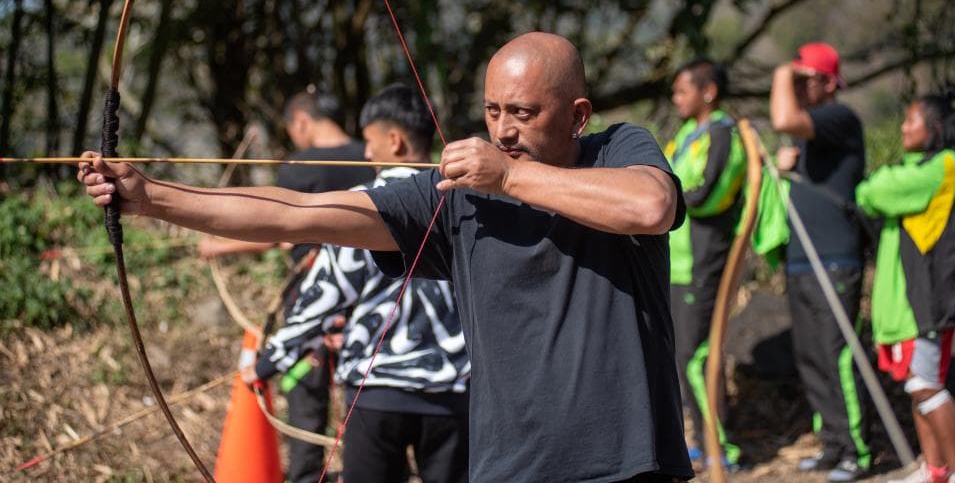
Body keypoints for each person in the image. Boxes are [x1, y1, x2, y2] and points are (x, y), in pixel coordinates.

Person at [79, 31, 693, 483]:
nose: (503, 130)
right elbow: (299, 212)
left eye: (524, 114)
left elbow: (649, 208)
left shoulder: (618, 149)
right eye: (493, 111)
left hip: (630, 466)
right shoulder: (456, 199)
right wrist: (154, 197)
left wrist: (506, 178)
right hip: (511, 470)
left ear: (578, 116)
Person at [249, 83, 470, 483]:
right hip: (454, 392)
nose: (366, 154)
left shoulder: (367, 201)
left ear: (395, 141)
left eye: (370, 143)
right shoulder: (467, 200)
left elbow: (325, 293)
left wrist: (267, 362)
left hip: (377, 393)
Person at [199, 88, 374, 483]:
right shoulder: (371, 155)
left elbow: (277, 229)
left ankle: (307, 473)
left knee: (304, 381)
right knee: (360, 388)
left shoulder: (301, 164)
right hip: (369, 296)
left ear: (301, 121)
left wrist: (218, 246)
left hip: (313, 295)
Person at [769, 42, 873, 482]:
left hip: (833, 258)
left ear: (828, 83)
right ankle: (831, 444)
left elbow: (782, 117)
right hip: (801, 260)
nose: (797, 87)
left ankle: (856, 451)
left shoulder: (839, 117)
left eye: (804, 79)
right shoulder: (808, 135)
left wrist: (779, 73)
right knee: (810, 357)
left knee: (836, 355)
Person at [855, 84, 955, 483]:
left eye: (910, 119)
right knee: (919, 387)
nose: (902, 128)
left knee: (927, 386)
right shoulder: (920, 167)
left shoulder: (946, 164)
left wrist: (873, 186)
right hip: (909, 302)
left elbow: (878, 191)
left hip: (930, 298)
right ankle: (935, 470)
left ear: (933, 126)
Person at [665, 58, 746, 470]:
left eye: (683, 90)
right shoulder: (684, 135)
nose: (676, 98)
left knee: (696, 357)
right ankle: (701, 438)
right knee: (681, 356)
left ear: (708, 91)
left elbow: (708, 194)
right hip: (676, 265)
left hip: (705, 260)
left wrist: (667, 199)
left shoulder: (723, 134)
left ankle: (723, 447)